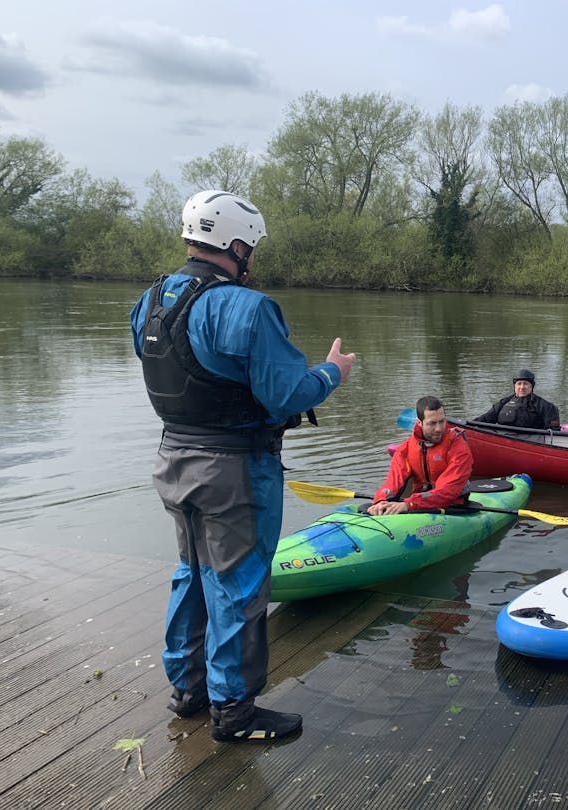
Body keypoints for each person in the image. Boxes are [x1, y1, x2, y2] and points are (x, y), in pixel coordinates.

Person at [130, 190, 355, 743]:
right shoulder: (248, 308)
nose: (251, 257)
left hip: (173, 461)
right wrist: (331, 372)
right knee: (238, 584)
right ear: (235, 245)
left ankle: (189, 692)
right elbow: (285, 396)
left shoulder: (149, 301)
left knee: (192, 573)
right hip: (234, 469)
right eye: (249, 247)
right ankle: (234, 713)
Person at [368, 396, 473, 515]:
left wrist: (409, 504)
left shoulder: (458, 446)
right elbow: (393, 481)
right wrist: (381, 501)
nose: (438, 429)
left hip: (453, 505)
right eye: (432, 423)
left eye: (442, 421)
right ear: (419, 423)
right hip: (419, 504)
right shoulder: (405, 448)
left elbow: (448, 490)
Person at [474, 369, 561, 430]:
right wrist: (467, 424)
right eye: (519, 384)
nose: (522, 387)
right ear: (514, 386)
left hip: (531, 443)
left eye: (526, 384)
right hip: (504, 438)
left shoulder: (546, 407)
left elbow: (554, 432)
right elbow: (485, 419)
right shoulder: (503, 403)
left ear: (532, 386)